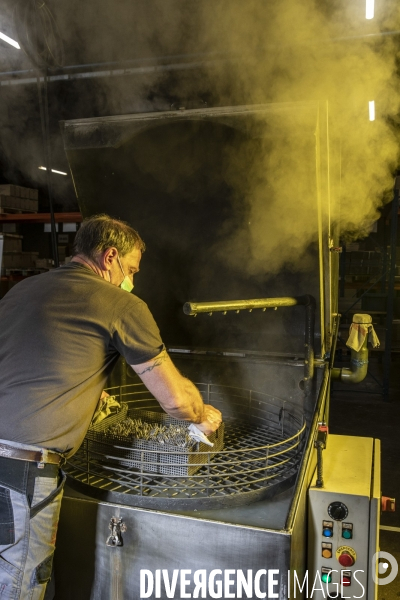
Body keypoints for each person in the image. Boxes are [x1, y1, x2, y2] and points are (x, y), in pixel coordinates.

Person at [0, 214, 222, 600]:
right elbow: (177, 404)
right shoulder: (122, 304)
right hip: (23, 476)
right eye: (131, 269)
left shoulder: (20, 291)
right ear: (110, 256)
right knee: (18, 588)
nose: (131, 279)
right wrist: (203, 415)